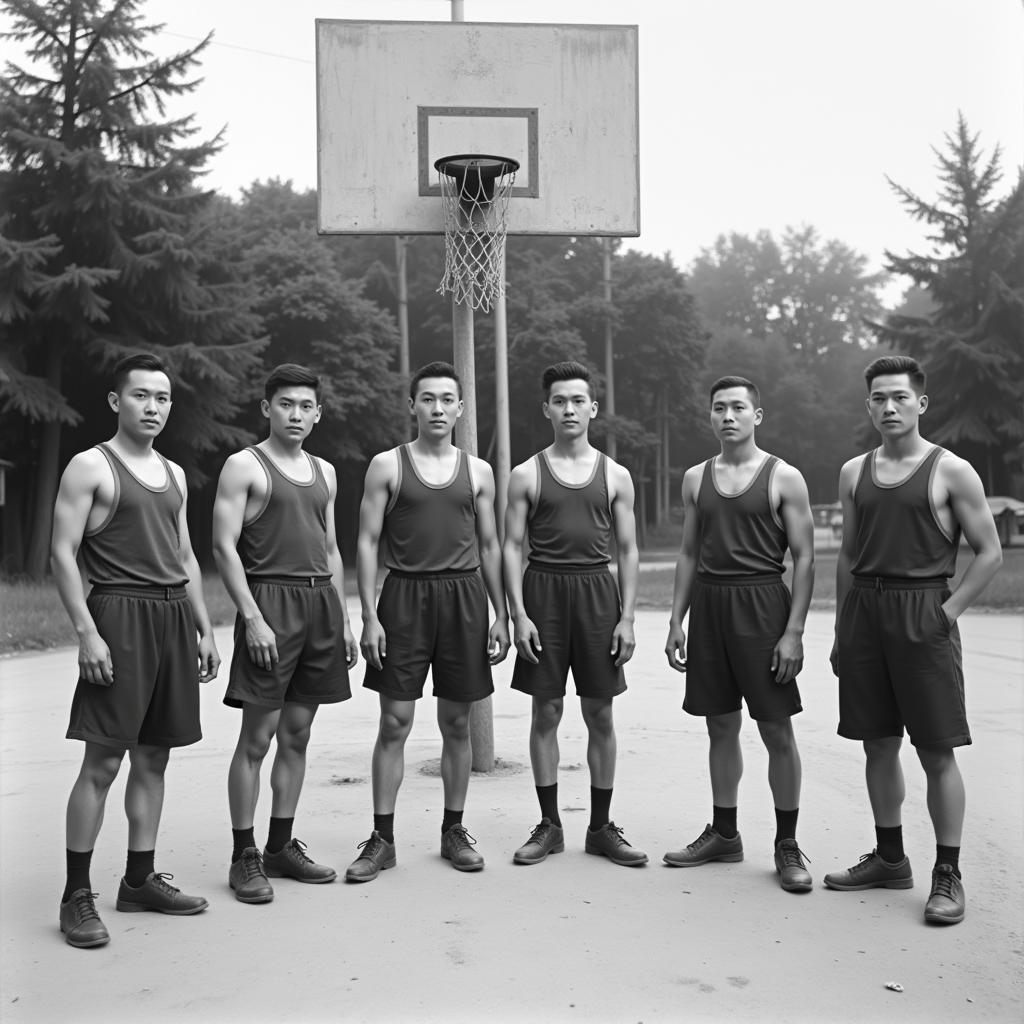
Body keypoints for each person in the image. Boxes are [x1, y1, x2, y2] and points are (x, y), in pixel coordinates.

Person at [824, 355, 1002, 925]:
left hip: (924, 608)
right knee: (877, 742)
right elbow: (848, 556)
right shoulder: (855, 471)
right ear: (868, 405)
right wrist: (840, 628)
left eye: (899, 396)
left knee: (935, 750)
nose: (889, 406)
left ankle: (947, 874)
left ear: (921, 403)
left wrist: (946, 614)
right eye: (878, 397)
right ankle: (889, 856)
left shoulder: (952, 471)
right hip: (865, 614)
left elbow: (990, 553)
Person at [50, 353, 220, 948]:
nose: (153, 407)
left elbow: (186, 556)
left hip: (172, 617)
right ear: (116, 401)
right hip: (118, 614)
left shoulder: (173, 474)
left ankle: (140, 880)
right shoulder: (89, 466)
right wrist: (85, 632)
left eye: (163, 398)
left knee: (155, 757)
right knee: (103, 762)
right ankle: (76, 895)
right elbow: (62, 553)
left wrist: (203, 627)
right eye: (142, 396)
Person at [344, 361, 509, 881]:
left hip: (463, 599)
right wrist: (369, 615)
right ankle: (382, 838)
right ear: (412, 406)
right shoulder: (387, 466)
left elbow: (489, 545)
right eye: (428, 399)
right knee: (394, 721)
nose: (437, 408)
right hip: (404, 598)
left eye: (447, 400)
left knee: (457, 722)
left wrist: (500, 612)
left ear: (460, 408)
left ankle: (453, 830)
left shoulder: (477, 470)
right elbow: (367, 542)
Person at [663, 376, 815, 892]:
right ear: (710, 416)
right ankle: (725, 833)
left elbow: (805, 557)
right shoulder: (694, 479)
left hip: (762, 606)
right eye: (719, 408)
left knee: (776, 729)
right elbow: (688, 552)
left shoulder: (783, 477)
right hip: (710, 606)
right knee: (720, 727)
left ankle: (787, 843)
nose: (728, 416)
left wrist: (793, 632)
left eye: (738, 408)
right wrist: (675, 620)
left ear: (757, 415)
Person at [213, 364, 357, 904]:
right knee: (257, 738)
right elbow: (223, 547)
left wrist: (342, 618)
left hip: (320, 605)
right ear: (267, 408)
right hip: (270, 603)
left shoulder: (325, 470)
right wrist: (250, 616)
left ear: (318, 413)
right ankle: (243, 855)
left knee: (297, 734)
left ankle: (279, 845)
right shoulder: (243, 466)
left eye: (305, 407)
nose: (295, 415)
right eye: (285, 405)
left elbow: (333, 548)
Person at [504, 361, 647, 867]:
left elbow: (627, 550)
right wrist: (517, 614)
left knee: (600, 711)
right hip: (543, 593)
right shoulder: (527, 473)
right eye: (559, 401)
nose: (569, 409)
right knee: (545, 710)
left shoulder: (615, 474)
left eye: (577, 400)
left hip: (596, 595)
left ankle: (601, 826)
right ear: (547, 409)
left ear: (593, 408)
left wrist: (627, 616)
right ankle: (550, 824)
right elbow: (510, 547)